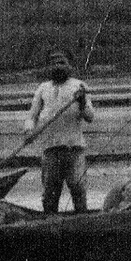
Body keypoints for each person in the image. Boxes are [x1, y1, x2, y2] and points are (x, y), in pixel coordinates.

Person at [23, 49, 95, 216]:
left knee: (77, 186)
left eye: (62, 63)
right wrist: (29, 130)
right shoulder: (43, 88)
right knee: (50, 192)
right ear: (49, 67)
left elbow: (90, 117)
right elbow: (32, 116)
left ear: (69, 65)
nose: (58, 67)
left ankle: (82, 220)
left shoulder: (79, 87)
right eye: (54, 63)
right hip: (51, 150)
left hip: (74, 149)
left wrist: (82, 101)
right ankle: (50, 222)